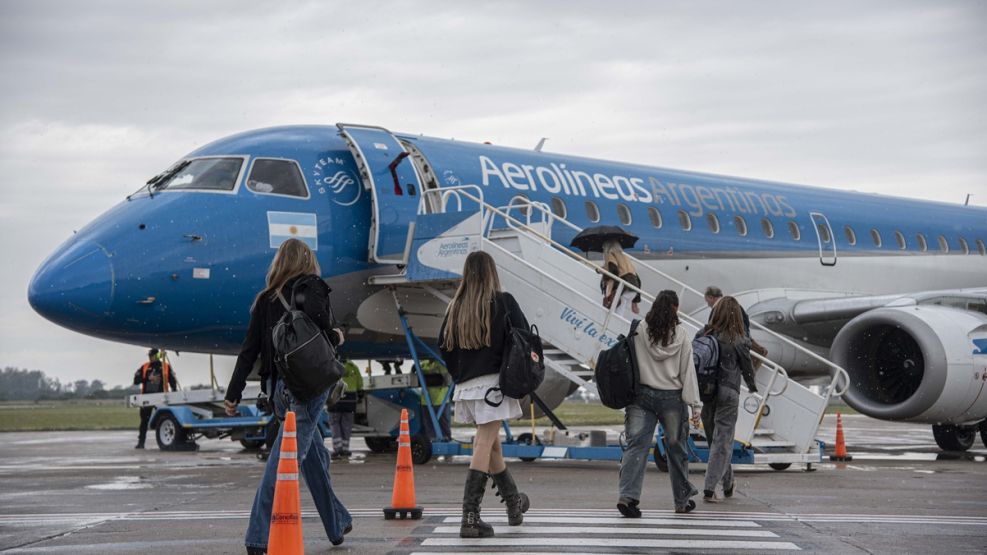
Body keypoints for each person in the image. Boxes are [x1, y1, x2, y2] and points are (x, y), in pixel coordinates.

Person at [223, 238, 352, 553]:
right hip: (306, 386)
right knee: (284, 462)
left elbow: (249, 350)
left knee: (314, 457)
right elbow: (325, 332)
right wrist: (338, 335)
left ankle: (336, 522)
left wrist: (233, 393)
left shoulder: (265, 300)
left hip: (276, 389)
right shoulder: (311, 288)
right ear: (307, 260)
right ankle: (257, 536)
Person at [439, 251, 530, 538]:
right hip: (494, 385)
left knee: (492, 446)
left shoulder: (455, 307)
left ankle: (514, 503)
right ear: (491, 272)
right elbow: (523, 338)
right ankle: (470, 517)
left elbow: (444, 346)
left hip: (466, 385)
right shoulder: (503, 302)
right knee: (483, 443)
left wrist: (461, 373)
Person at [618, 290, 701, 516]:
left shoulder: (639, 329)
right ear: (675, 308)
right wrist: (695, 405)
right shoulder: (682, 334)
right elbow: (688, 372)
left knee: (636, 447)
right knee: (676, 449)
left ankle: (627, 497)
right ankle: (681, 500)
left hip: (641, 396)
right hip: (672, 398)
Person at [697, 296, 758, 503]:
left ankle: (728, 482)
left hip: (706, 392)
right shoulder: (738, 340)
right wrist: (752, 386)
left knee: (715, 441)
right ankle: (710, 487)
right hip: (729, 393)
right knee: (722, 442)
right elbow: (747, 368)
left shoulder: (704, 334)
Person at [132, 348, 178, 449]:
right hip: (147, 398)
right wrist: (147, 379)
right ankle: (141, 443)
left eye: (152, 356)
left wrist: (175, 393)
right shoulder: (145, 366)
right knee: (144, 421)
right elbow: (136, 380)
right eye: (149, 356)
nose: (150, 357)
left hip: (161, 398)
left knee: (163, 419)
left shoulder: (165, 366)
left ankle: (166, 440)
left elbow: (172, 381)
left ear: (157, 356)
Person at [329, 360, 363, 459]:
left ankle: (337, 449)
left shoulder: (332, 365)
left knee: (335, 423)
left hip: (336, 398)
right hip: (350, 401)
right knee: (347, 425)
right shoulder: (353, 367)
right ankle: (345, 449)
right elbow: (360, 384)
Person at [600, 240, 642, 319]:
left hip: (623, 288)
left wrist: (604, 274)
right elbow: (638, 278)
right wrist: (635, 301)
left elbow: (613, 270)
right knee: (620, 312)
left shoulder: (610, 254)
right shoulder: (625, 257)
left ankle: (613, 326)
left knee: (615, 314)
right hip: (633, 288)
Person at [419, 359, 452, 441]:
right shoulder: (423, 364)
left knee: (442, 424)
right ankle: (432, 441)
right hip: (427, 400)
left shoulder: (440, 363)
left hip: (440, 400)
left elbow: (448, 380)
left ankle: (445, 440)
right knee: (429, 424)